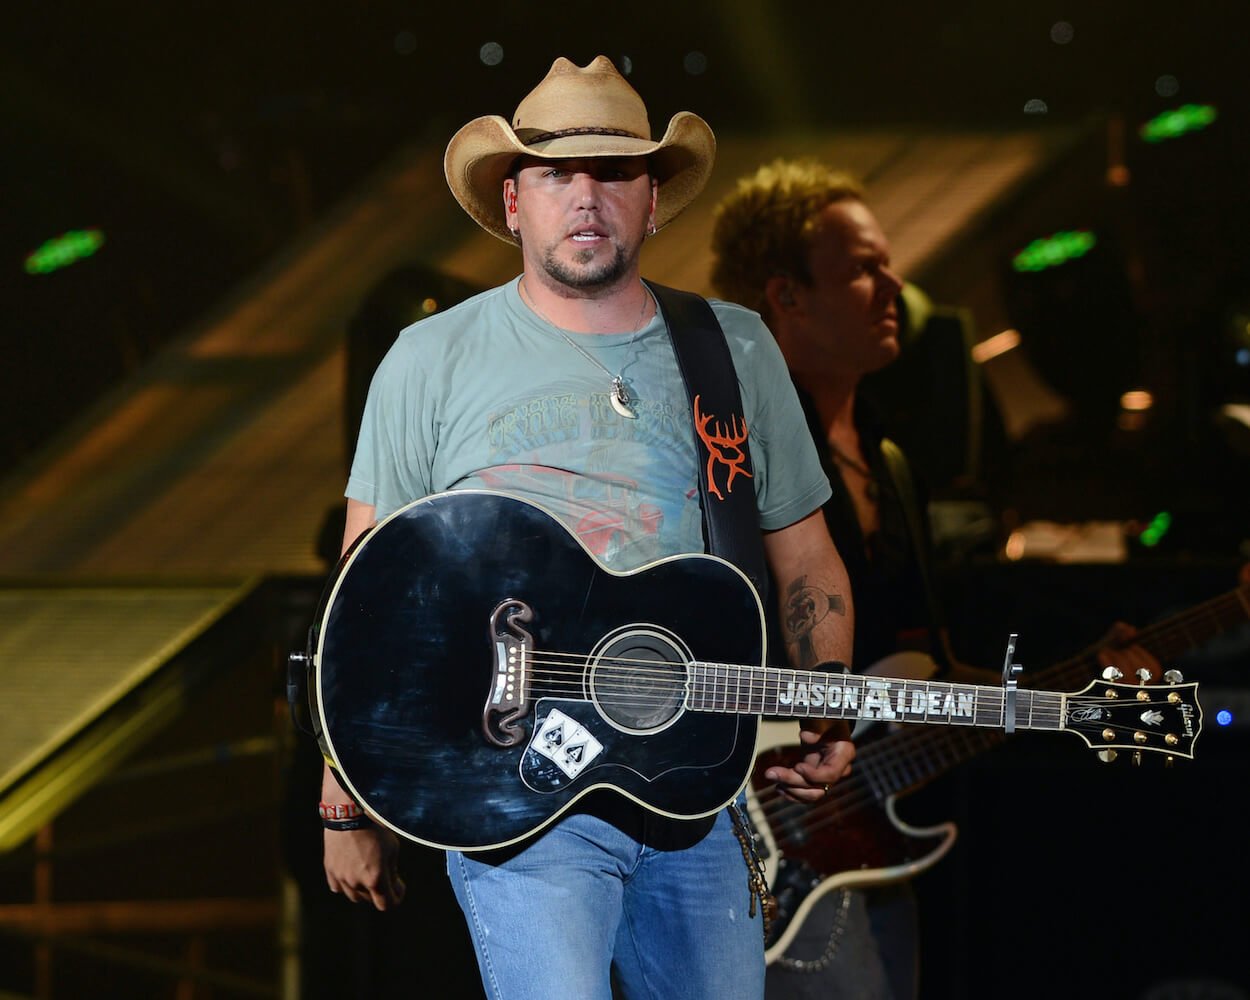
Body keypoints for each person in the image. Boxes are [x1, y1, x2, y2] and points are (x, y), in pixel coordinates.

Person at [317, 59, 859, 1000]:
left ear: (653, 202)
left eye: (614, 173)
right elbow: (364, 585)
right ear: (514, 199)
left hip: (692, 784)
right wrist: (342, 795)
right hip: (514, 793)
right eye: (559, 174)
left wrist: (828, 701)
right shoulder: (429, 358)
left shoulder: (730, 348)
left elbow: (805, 553)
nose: (586, 197)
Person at [708, 158, 1161, 999]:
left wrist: (1078, 688)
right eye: (862, 268)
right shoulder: (733, 456)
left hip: (871, 842)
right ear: (787, 297)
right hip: (762, 837)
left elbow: (926, 668)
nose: (893, 286)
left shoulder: (889, 460)